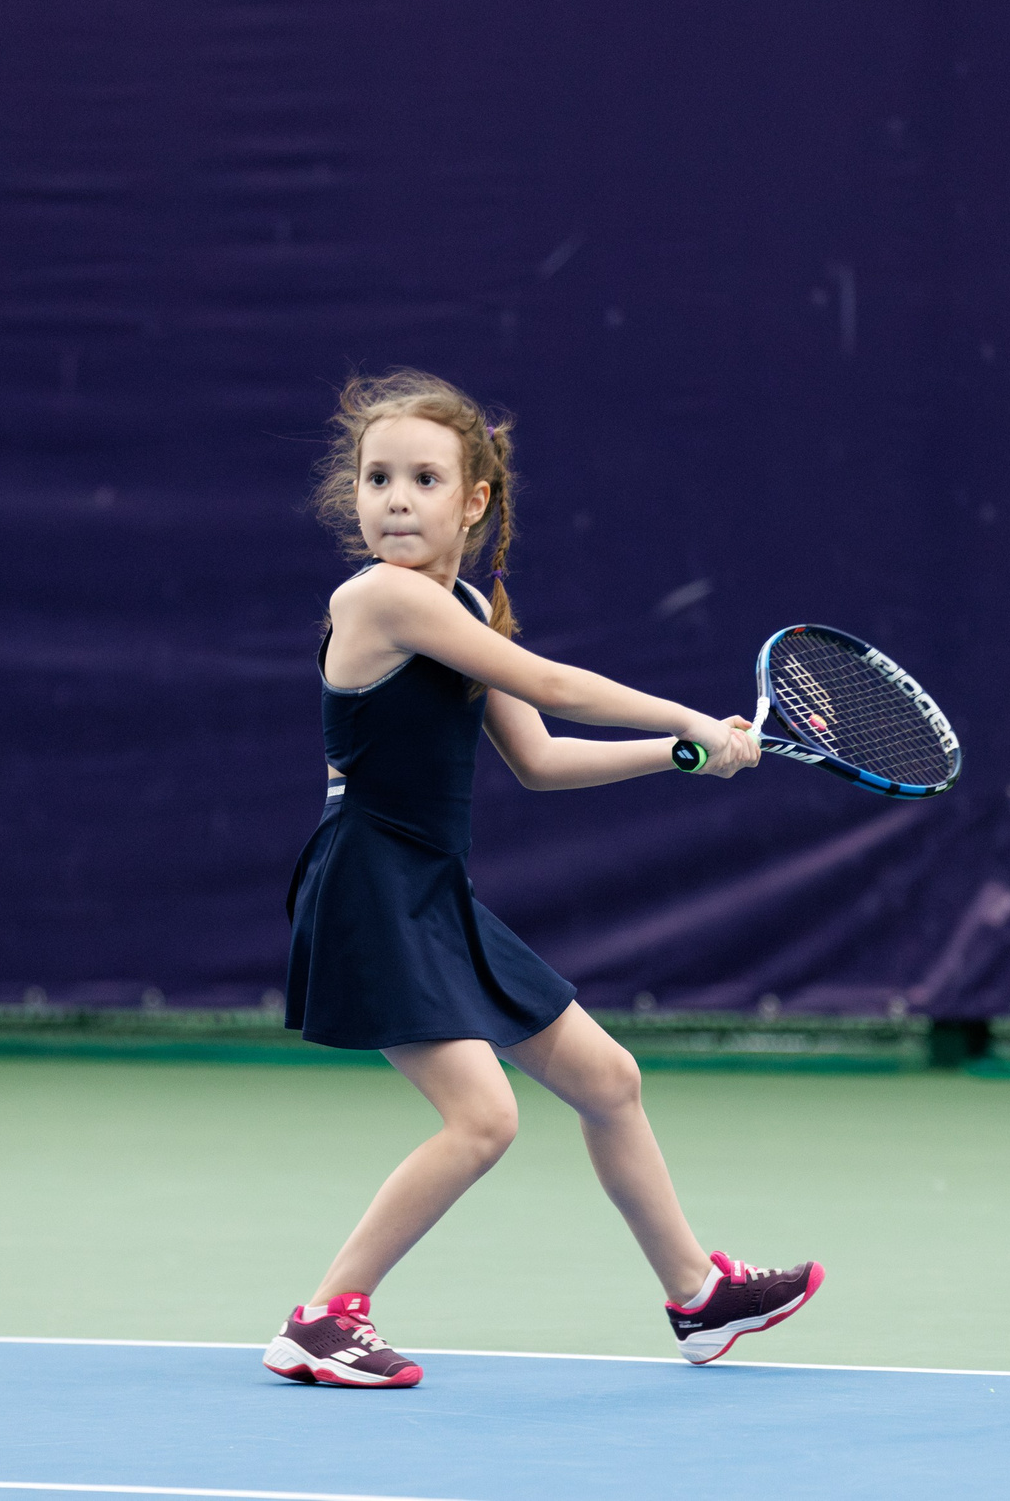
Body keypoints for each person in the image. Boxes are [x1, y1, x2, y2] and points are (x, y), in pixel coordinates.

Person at [263, 370, 824, 1390]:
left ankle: (698, 1297)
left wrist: (677, 752)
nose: (394, 497)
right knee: (483, 1118)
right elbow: (553, 683)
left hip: (431, 885)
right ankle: (321, 1317)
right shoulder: (381, 597)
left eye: (422, 478)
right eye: (376, 476)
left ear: (471, 499)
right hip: (371, 887)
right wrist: (694, 716)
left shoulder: (462, 603)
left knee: (607, 1081)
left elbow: (539, 753)